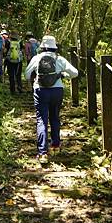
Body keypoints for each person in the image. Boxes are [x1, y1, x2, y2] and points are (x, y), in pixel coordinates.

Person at [25, 35, 78, 164]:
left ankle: (43, 153)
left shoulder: (37, 58)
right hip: (57, 91)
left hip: (40, 90)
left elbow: (26, 75)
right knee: (54, 117)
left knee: (41, 120)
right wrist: (62, 75)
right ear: (55, 47)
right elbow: (75, 73)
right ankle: (55, 146)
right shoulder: (59, 59)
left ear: (42, 47)